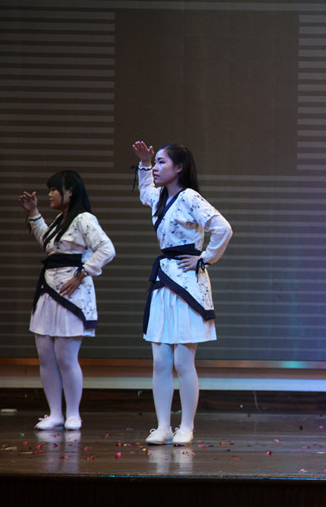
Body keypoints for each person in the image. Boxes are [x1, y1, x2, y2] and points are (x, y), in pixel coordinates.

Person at [133, 141, 233, 446]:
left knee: (183, 361)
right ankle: (163, 426)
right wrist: (143, 163)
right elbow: (145, 191)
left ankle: (186, 426)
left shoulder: (189, 197)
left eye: (161, 162)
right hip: (164, 281)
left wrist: (204, 258)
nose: (156, 168)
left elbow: (223, 228)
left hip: (188, 283)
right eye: (155, 163)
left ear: (179, 167)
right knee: (160, 360)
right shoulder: (160, 197)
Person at [19, 171, 115, 431]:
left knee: (66, 356)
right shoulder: (61, 220)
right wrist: (33, 212)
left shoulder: (83, 219)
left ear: (70, 191)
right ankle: (55, 414)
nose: (49, 194)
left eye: (54, 189)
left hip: (71, 294)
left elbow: (107, 249)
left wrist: (81, 274)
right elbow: (48, 244)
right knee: (46, 356)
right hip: (48, 290)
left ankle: (73, 414)